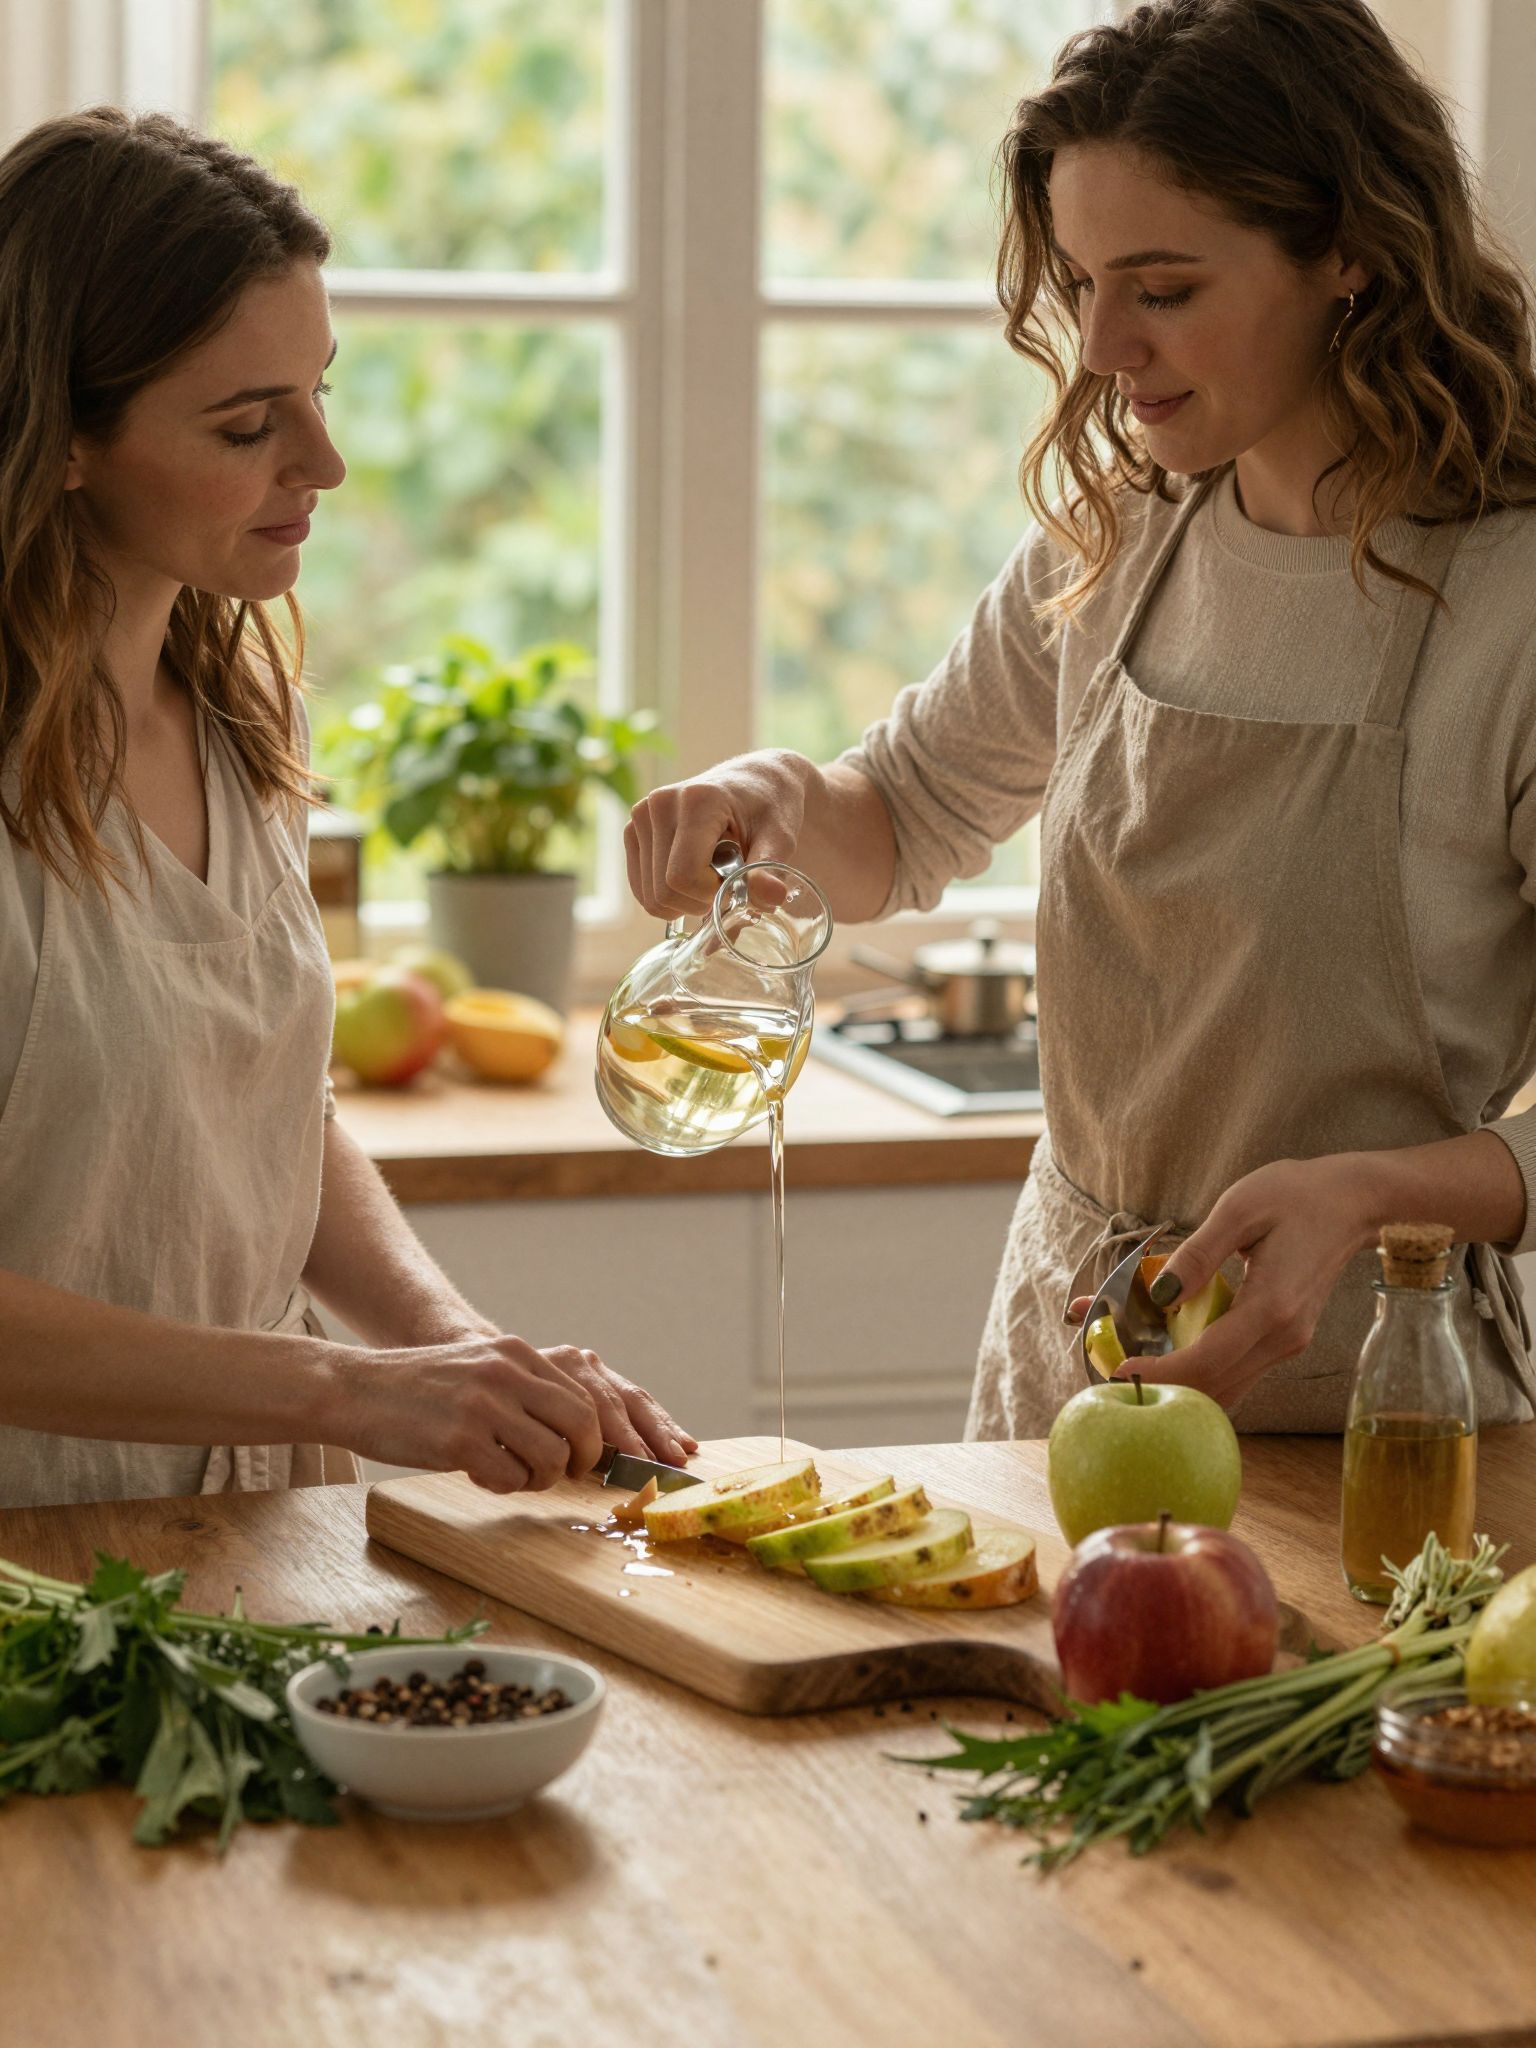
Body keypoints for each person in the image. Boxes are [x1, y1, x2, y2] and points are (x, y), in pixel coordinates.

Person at [626, 0, 1536, 1437]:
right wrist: (778, 800)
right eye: (1083, 281)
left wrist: (1375, 1190)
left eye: (1163, 289)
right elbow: (901, 820)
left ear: (1348, 251)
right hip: (1074, 1378)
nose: (1104, 345)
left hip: (1376, 1409)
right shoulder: (1114, 545)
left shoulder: (1513, 606)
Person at [0, 107, 696, 1509]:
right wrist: (349, 1387)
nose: (321, 462)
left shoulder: (243, 727)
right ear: (62, 438)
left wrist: (455, 1347)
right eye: (249, 424)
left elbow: (261, 1110)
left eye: (318, 392)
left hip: (264, 1529)